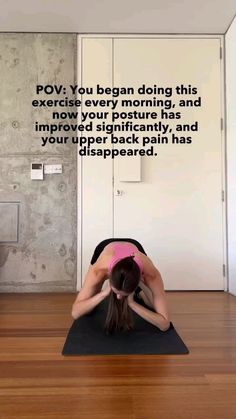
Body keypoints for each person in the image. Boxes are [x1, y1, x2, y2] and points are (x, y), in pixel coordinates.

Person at [71, 238, 170, 334]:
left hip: (135, 247)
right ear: (110, 279)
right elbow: (75, 313)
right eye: (117, 292)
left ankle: (139, 291)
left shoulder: (150, 274)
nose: (119, 297)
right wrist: (103, 294)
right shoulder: (99, 270)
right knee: (88, 310)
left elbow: (165, 325)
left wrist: (132, 304)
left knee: (153, 306)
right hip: (105, 247)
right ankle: (136, 291)